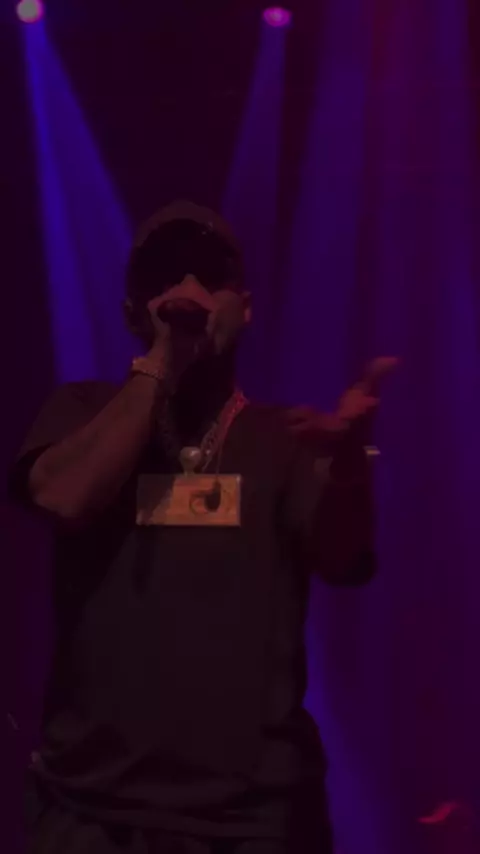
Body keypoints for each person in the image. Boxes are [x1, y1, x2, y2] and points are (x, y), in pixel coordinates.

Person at [11, 201, 395, 854]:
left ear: (244, 308)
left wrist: (351, 469)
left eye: (209, 277)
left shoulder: (286, 437)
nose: (188, 292)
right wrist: (166, 357)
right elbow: (63, 498)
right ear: (134, 312)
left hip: (252, 818)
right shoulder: (82, 410)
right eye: (165, 277)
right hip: (91, 810)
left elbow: (340, 556)